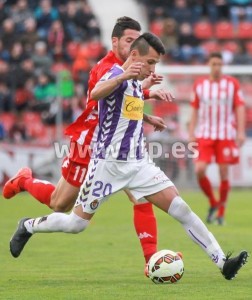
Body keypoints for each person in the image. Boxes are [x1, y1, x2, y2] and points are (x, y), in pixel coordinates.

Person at [10, 33, 248, 280]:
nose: (152, 68)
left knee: (181, 209)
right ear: (135, 56)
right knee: (75, 224)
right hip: (107, 166)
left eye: (155, 63)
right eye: (150, 62)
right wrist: (124, 75)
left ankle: (223, 263)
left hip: (138, 164)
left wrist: (148, 103)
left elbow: (127, 110)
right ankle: (28, 225)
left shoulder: (135, 82)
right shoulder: (114, 73)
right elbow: (96, 94)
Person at [3, 17, 174, 274]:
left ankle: (151, 262)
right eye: (129, 40)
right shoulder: (104, 68)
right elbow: (102, 105)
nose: (133, 45)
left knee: (140, 195)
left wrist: (146, 93)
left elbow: (126, 104)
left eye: (136, 41)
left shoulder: (130, 69)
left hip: (116, 149)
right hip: (90, 143)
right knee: (59, 203)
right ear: (115, 41)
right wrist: (146, 106)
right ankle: (24, 180)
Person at [188, 52, 246, 225]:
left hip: (225, 134)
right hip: (205, 134)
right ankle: (214, 203)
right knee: (199, 170)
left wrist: (241, 131)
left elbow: (240, 107)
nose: (217, 67)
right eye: (214, 64)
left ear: (223, 66)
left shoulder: (232, 84)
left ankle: (221, 213)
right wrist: (191, 132)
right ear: (209, 65)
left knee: (223, 172)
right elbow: (195, 110)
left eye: (220, 64)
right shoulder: (200, 85)